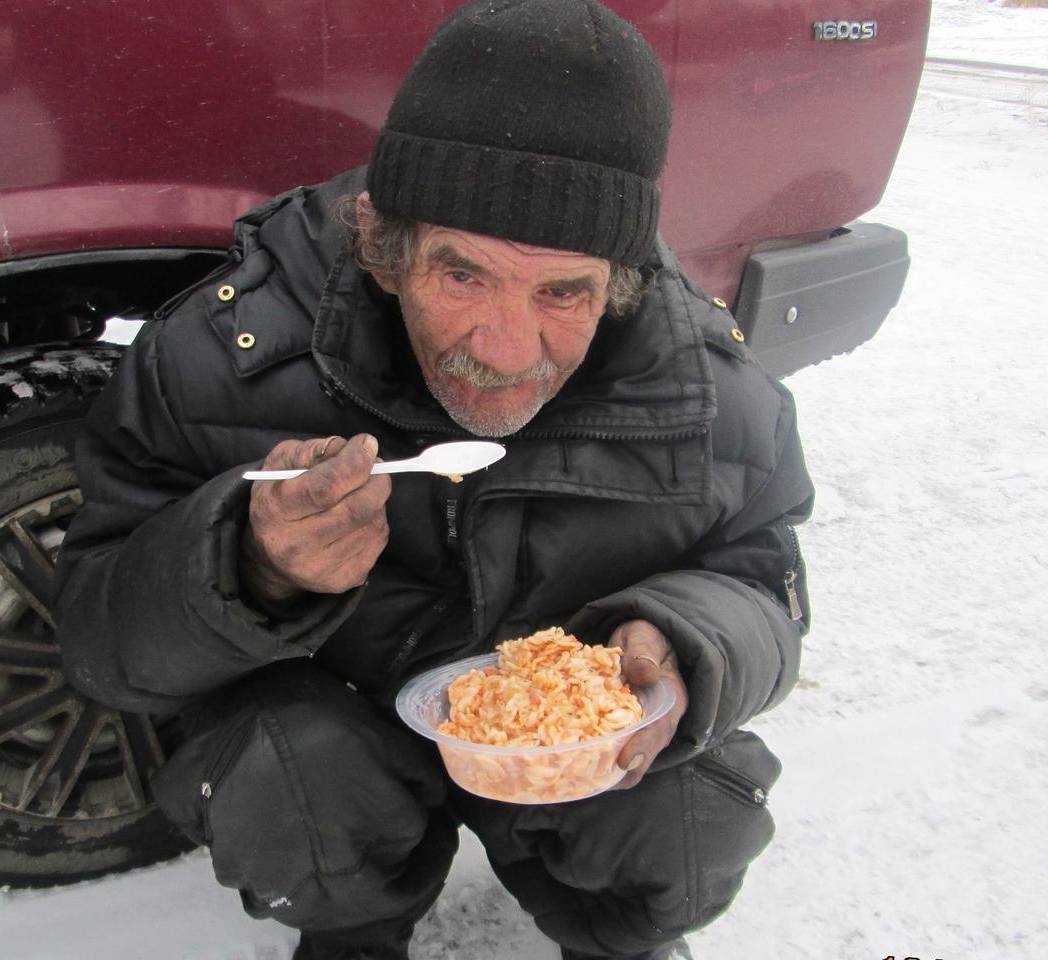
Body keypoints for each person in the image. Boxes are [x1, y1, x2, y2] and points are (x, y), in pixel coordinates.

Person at [54, 2, 813, 958]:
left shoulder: (714, 391)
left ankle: (618, 938)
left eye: (563, 293)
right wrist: (247, 566)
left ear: (618, 282)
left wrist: (681, 643)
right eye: (462, 277)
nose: (505, 349)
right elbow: (97, 638)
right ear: (385, 241)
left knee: (690, 811)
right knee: (291, 780)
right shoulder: (219, 356)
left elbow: (764, 579)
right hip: (341, 729)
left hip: (558, 747)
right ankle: (352, 936)